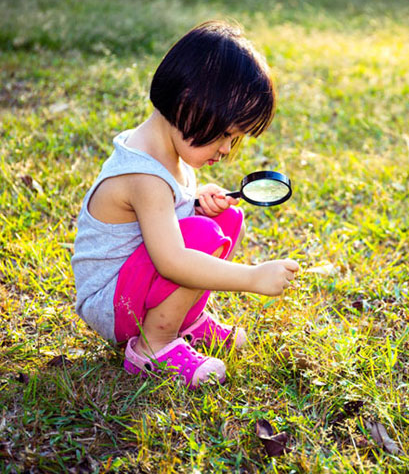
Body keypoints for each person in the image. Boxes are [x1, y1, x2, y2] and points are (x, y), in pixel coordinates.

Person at [71, 21, 299, 389]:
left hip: (133, 283)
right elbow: (172, 261)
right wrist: (252, 277)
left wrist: (194, 201)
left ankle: (185, 323)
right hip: (111, 304)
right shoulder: (144, 175)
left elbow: (161, 218)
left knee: (226, 216)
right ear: (188, 102)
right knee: (203, 236)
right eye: (225, 134)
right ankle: (153, 346)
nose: (226, 149)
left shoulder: (167, 149)